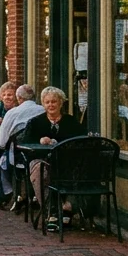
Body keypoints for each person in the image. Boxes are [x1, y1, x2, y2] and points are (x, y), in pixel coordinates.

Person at [23, 86, 88, 229]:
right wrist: (39, 141)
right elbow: (24, 143)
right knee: (39, 170)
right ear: (43, 104)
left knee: (80, 170)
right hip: (43, 160)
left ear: (61, 103)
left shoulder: (71, 122)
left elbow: (82, 141)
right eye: (47, 102)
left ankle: (67, 208)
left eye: (54, 101)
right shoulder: (35, 123)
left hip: (67, 162)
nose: (51, 105)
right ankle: (51, 210)